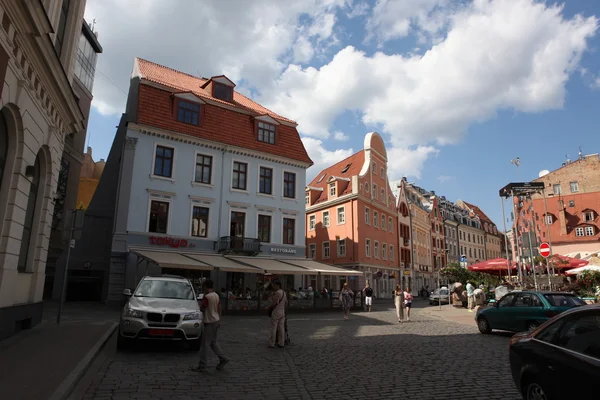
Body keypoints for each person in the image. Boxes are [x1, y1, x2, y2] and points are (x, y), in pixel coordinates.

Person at [192, 280, 229, 372]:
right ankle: (223, 358)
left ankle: (202, 365)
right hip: (216, 320)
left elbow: (202, 308)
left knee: (205, 344)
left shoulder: (207, 297)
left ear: (205, 286)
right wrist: (219, 318)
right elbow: (219, 307)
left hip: (209, 322)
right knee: (213, 342)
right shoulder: (216, 295)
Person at [268, 280, 287, 348]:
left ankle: (272, 343)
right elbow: (286, 302)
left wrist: (269, 306)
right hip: (282, 312)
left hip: (276, 311)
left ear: (278, 285)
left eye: (274, 285)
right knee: (281, 328)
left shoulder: (277, 293)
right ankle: (281, 342)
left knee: (273, 327)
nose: (273, 286)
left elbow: (273, 303)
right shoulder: (284, 292)